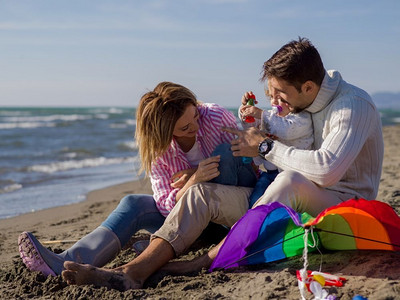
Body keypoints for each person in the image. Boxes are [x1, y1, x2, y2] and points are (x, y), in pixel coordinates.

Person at [60, 37, 384, 291]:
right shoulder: (306, 103)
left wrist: (265, 146)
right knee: (199, 195)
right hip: (274, 197)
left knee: (290, 181)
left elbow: (327, 170)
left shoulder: (351, 106)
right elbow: (284, 139)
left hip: (342, 202)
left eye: (281, 95)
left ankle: (200, 262)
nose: (276, 102)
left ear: (309, 88)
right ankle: (134, 270)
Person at [18, 81, 257, 277]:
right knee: (134, 204)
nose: (195, 125)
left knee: (226, 154)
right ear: (166, 132)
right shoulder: (160, 150)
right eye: (185, 127)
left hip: (231, 210)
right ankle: (68, 260)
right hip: (192, 218)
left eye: (194, 114)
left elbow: (246, 162)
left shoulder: (214, 116)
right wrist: (194, 179)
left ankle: (185, 244)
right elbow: (165, 205)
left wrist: (195, 179)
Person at [239, 90, 313, 207]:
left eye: (280, 99)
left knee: (283, 204)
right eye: (271, 97)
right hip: (270, 174)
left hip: (293, 178)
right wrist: (246, 112)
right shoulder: (272, 117)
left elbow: (287, 129)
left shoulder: (302, 118)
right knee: (256, 200)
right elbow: (252, 129)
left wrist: (262, 115)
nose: (274, 102)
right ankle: (256, 220)